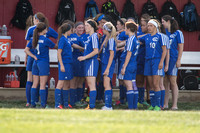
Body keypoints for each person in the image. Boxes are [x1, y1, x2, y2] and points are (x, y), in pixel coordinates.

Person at [24, 12, 58, 107]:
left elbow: (26, 50)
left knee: (34, 83)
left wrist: (33, 56)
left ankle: (32, 103)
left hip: (35, 61)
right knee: (42, 84)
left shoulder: (33, 39)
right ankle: (43, 105)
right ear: (44, 30)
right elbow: (55, 46)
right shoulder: (46, 39)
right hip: (43, 62)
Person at [138, 19, 167, 111]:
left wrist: (161, 62)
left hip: (156, 61)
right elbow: (136, 38)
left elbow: (164, 50)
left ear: (155, 27)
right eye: (148, 26)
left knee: (156, 84)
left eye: (150, 26)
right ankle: (153, 105)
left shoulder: (160, 36)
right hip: (147, 61)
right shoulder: (146, 37)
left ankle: (158, 105)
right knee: (150, 85)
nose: (148, 27)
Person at [162, 15, 184, 110]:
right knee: (165, 81)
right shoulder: (164, 33)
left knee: (173, 81)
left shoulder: (178, 33)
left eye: (163, 21)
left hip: (173, 59)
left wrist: (179, 60)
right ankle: (165, 103)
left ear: (168, 21)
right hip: (165, 60)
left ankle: (175, 105)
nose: (162, 23)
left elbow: (181, 47)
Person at [78, 19, 99, 109]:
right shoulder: (89, 37)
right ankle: (90, 105)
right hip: (88, 62)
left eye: (86, 25)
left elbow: (96, 51)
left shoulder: (94, 36)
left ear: (91, 27)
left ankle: (92, 106)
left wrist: (84, 57)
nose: (85, 27)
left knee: (91, 85)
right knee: (89, 84)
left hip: (91, 62)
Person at [118, 21, 140, 109]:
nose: (124, 30)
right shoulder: (135, 39)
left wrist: (124, 67)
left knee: (128, 85)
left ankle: (131, 107)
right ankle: (134, 106)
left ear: (129, 29)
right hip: (134, 64)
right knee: (133, 85)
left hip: (129, 64)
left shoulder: (131, 39)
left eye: (125, 28)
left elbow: (128, 54)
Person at [55, 23, 73, 109]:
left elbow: (74, 45)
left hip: (69, 63)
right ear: (67, 30)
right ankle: (57, 104)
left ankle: (65, 104)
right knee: (60, 83)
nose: (71, 31)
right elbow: (59, 52)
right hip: (64, 63)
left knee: (67, 84)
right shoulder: (62, 39)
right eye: (70, 30)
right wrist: (61, 65)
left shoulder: (67, 39)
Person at [68, 21, 86, 106]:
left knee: (79, 81)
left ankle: (76, 100)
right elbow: (84, 49)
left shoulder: (71, 37)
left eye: (83, 28)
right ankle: (75, 101)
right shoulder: (76, 37)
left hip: (80, 61)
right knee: (75, 82)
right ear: (75, 29)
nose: (81, 29)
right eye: (79, 27)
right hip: (76, 60)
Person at [100, 22, 116, 110]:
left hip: (107, 64)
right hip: (104, 63)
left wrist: (107, 68)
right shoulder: (106, 38)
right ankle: (108, 105)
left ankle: (108, 106)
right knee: (105, 84)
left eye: (104, 28)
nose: (102, 30)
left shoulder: (111, 40)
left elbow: (112, 55)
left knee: (107, 85)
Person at [136, 14, 151, 107]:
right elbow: (137, 38)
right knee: (140, 81)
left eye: (143, 25)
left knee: (150, 82)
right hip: (140, 60)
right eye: (141, 25)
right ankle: (140, 100)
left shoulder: (152, 35)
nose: (142, 27)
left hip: (149, 61)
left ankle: (149, 99)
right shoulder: (139, 33)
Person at [115, 18, 129, 105]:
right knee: (120, 78)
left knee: (123, 79)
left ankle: (125, 98)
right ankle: (122, 98)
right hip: (118, 58)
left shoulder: (124, 33)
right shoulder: (119, 33)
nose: (116, 26)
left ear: (123, 25)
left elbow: (128, 42)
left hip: (123, 58)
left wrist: (118, 43)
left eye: (118, 24)